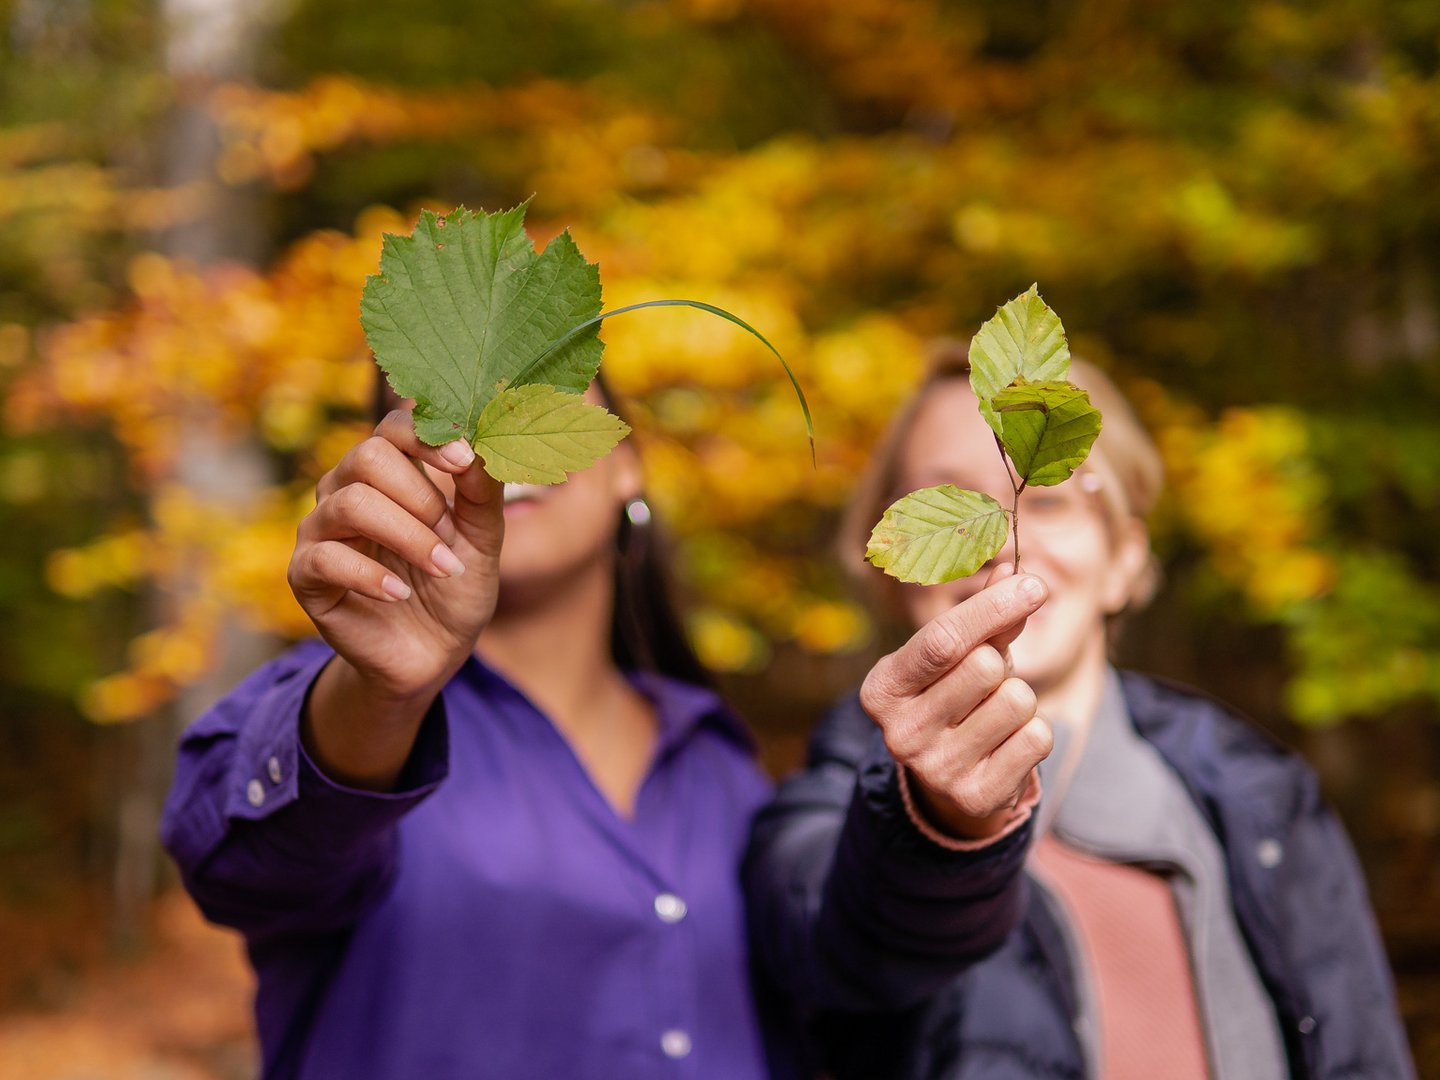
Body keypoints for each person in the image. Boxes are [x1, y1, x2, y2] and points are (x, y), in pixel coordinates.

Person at [160, 375, 1051, 1080]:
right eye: (444, 405)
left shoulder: (721, 761)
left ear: (628, 466)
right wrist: (382, 696)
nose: (494, 436)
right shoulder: (345, 712)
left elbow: (848, 957)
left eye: (544, 391)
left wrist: (949, 819)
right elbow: (241, 864)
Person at [744, 344, 1415, 1079]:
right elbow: (838, 938)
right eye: (951, 504)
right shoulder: (831, 795)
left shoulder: (1263, 793)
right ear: (893, 563)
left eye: (1052, 498)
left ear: (1124, 556)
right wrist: (937, 822)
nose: (1002, 548)